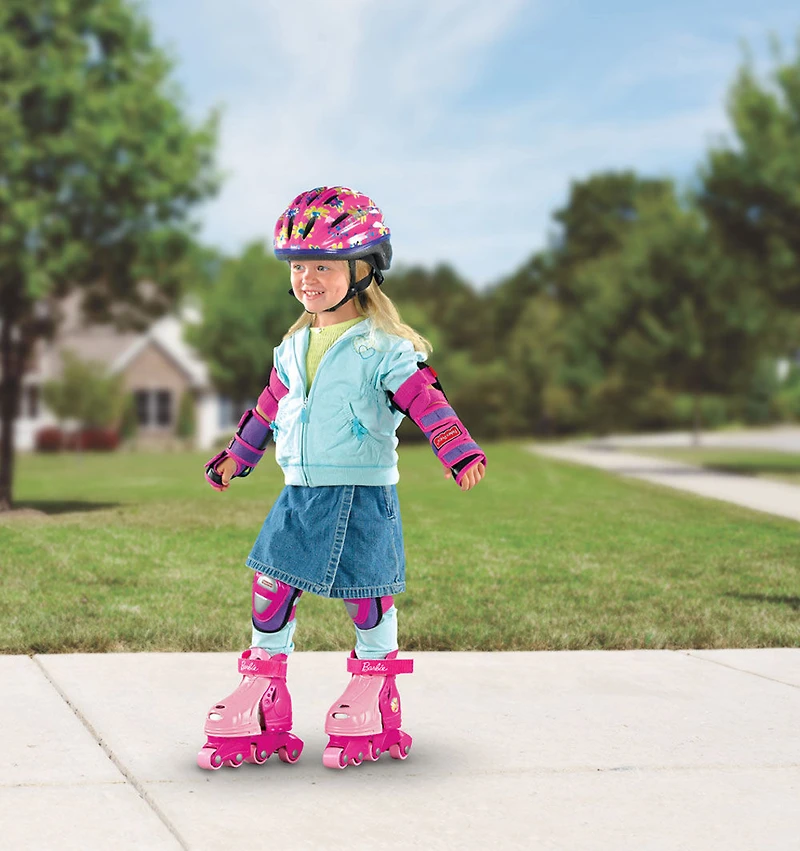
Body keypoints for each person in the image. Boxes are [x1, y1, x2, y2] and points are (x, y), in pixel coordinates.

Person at [196, 186, 486, 771]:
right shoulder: (293, 344)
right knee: (270, 585)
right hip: (299, 488)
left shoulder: (384, 348)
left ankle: (376, 690)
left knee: (365, 593)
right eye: (299, 265)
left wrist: (457, 449)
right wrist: (237, 455)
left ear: (362, 270)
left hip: (359, 490)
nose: (308, 278)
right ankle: (264, 690)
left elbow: (426, 401)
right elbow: (268, 407)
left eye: (323, 266)